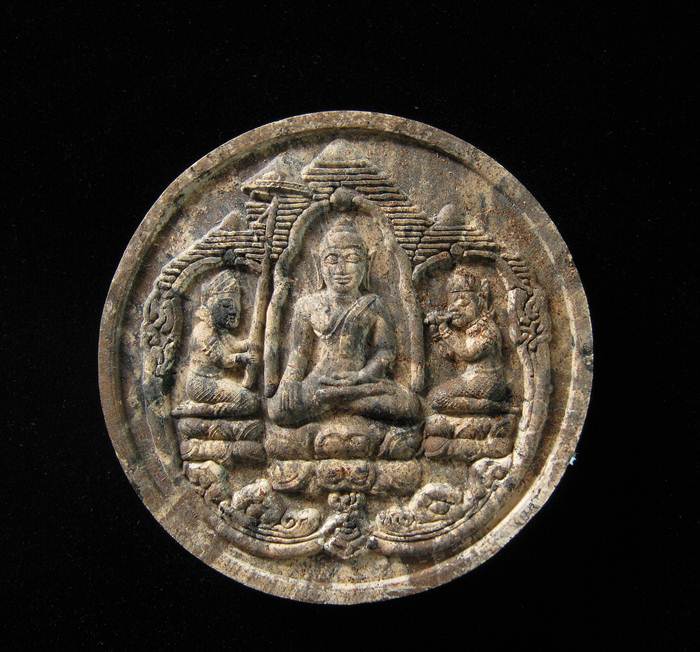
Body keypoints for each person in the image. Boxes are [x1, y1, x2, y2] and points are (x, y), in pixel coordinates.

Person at [268, 217, 419, 427]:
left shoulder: (373, 304)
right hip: (321, 382)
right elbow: (299, 354)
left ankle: (335, 402)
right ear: (318, 264)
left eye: (352, 258)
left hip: (360, 383)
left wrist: (361, 376)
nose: (341, 269)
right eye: (332, 259)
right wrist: (290, 380)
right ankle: (344, 403)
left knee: (409, 405)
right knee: (277, 410)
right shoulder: (307, 305)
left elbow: (385, 352)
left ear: (367, 263)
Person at [426, 267, 509, 414]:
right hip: (473, 378)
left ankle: (492, 407)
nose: (455, 309)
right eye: (452, 305)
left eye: (464, 303)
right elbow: (451, 355)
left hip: (489, 381)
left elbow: (468, 353)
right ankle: (484, 407)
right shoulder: (469, 329)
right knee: (435, 398)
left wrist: (445, 330)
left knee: (437, 398)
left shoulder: (488, 329)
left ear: (480, 301)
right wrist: (436, 334)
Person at [183, 269, 259, 416]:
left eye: (235, 306)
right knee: (249, 402)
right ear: (212, 305)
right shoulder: (204, 331)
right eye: (226, 306)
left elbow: (233, 345)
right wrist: (242, 357)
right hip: (200, 384)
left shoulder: (218, 329)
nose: (233, 311)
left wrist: (250, 343)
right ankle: (201, 410)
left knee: (250, 401)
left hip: (216, 380)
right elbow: (221, 360)